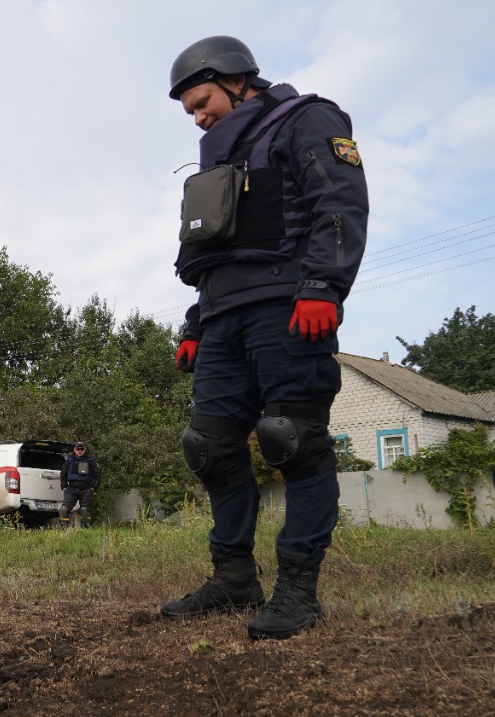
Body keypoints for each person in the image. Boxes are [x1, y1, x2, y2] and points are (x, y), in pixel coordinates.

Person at [160, 36, 369, 640]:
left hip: (288, 306)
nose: (198, 118)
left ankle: (298, 590)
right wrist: (196, 326)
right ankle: (233, 579)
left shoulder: (306, 120)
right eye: (190, 112)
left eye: (202, 103)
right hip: (223, 318)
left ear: (233, 78)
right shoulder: (219, 159)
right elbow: (215, 249)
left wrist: (323, 286)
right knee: (210, 447)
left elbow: (340, 199)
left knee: (291, 440)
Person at [58, 441, 100, 528]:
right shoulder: (69, 460)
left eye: (82, 449)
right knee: (63, 509)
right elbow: (63, 473)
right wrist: (64, 485)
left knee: (84, 510)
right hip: (71, 488)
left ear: (85, 449)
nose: (80, 451)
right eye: (78, 449)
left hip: (85, 489)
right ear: (74, 450)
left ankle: (85, 529)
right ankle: (64, 529)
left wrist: (93, 487)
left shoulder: (90, 460)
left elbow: (97, 475)